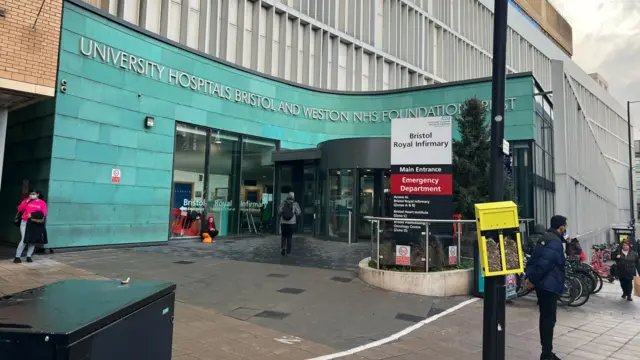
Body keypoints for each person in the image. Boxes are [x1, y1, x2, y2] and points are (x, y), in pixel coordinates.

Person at [525, 215, 567, 360]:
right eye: (565, 227)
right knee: (549, 319)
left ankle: (547, 351)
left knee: (546, 318)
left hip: (543, 285)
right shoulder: (554, 242)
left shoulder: (544, 238)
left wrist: (529, 277)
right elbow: (544, 264)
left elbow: (533, 259)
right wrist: (532, 280)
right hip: (549, 286)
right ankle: (546, 353)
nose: (565, 230)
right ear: (561, 227)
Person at [14, 189, 48, 263]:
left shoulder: (42, 203)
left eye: (33, 194)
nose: (32, 195)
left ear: (38, 194)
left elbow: (44, 213)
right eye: (31, 194)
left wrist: (33, 215)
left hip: (35, 223)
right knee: (24, 239)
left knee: (33, 240)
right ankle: (17, 257)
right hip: (25, 222)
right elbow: (19, 209)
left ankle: (29, 256)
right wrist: (27, 200)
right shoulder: (27, 201)